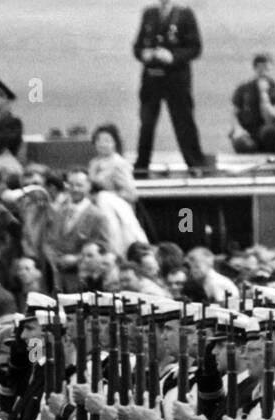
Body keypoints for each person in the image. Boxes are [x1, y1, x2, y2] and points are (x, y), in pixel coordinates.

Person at [132, 0, 206, 173]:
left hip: (176, 79)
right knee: (146, 123)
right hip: (151, 78)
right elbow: (137, 46)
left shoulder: (185, 14)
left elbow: (195, 48)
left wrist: (172, 56)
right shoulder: (149, 13)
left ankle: (195, 164)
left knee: (183, 121)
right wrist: (143, 53)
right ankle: (141, 166)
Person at [47, 169, 113, 293]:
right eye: (71, 185)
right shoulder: (59, 212)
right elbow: (50, 240)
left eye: (79, 185)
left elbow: (104, 247)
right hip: (58, 278)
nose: (75, 189)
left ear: (88, 187)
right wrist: (54, 258)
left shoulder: (98, 216)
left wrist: (77, 258)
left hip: (84, 279)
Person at [89, 123, 148, 255]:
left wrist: (107, 195)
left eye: (107, 140)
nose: (102, 144)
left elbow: (131, 194)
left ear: (115, 143)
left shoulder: (119, 163)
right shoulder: (93, 163)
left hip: (114, 212)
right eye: (99, 140)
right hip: (95, 210)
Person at [231, 53, 275, 154]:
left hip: (266, 132)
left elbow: (273, 117)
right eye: (259, 67)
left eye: (265, 67)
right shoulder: (243, 89)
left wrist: (263, 94)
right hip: (248, 131)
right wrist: (238, 128)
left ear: (271, 68)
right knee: (241, 142)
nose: (262, 71)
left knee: (269, 132)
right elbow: (235, 112)